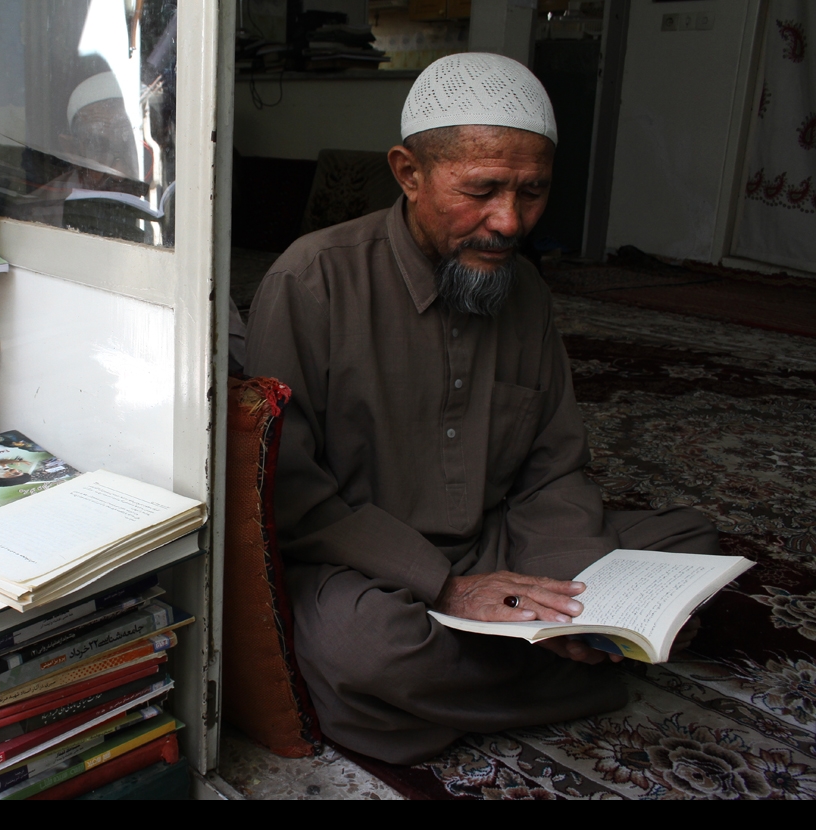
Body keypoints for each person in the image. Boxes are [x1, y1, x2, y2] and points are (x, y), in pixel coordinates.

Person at [242, 53, 720, 765]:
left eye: (532, 193)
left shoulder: (523, 288)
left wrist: (571, 594)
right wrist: (447, 587)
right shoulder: (312, 281)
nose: (509, 221)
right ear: (408, 172)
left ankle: (434, 706)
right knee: (367, 652)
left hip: (500, 542)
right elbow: (292, 494)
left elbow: (554, 467)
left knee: (694, 546)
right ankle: (577, 681)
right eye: (483, 190)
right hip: (368, 567)